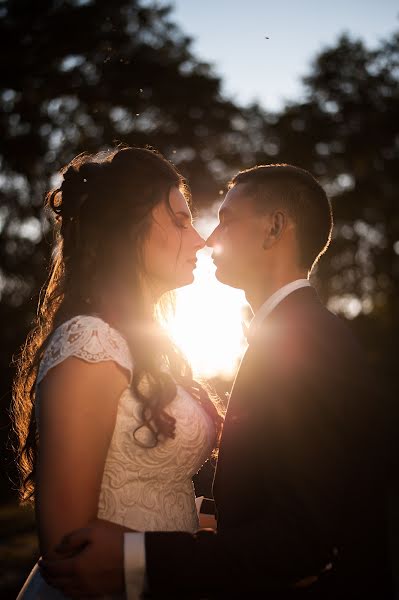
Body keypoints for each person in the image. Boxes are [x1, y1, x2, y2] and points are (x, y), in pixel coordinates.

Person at [41, 164, 393, 599]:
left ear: (274, 229)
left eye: (225, 219)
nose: (208, 237)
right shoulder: (290, 336)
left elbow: (304, 537)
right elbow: (277, 491)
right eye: (182, 219)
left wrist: (142, 555)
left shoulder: (307, 343)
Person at [13, 146, 223, 599]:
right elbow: (68, 544)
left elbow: (158, 489)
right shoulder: (90, 342)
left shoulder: (147, 345)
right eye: (182, 220)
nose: (202, 240)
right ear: (129, 229)